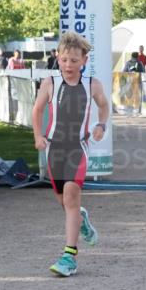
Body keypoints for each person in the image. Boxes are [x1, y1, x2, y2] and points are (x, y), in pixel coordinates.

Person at [31, 31, 110, 277]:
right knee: (65, 203)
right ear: (58, 57)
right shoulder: (50, 83)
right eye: (64, 59)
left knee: (71, 194)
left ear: (84, 60)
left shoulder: (93, 84)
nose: (68, 65)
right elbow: (37, 110)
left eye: (74, 61)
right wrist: (38, 136)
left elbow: (104, 106)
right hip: (54, 147)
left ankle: (69, 256)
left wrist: (101, 125)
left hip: (78, 147)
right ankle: (81, 219)